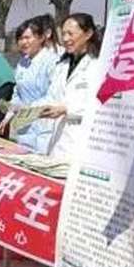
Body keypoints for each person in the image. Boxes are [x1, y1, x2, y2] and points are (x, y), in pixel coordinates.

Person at [39, 13, 101, 159]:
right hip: (58, 140)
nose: (66, 39)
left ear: (88, 34)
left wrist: (67, 109)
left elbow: (98, 105)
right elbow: (52, 96)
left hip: (81, 142)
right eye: (63, 34)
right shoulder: (62, 65)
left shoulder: (97, 65)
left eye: (70, 34)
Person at [0, 15, 60, 152]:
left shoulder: (52, 61)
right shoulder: (22, 63)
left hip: (45, 126)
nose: (23, 42)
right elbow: (18, 93)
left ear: (41, 38)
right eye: (20, 38)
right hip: (25, 126)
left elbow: (54, 95)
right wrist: (9, 115)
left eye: (27, 37)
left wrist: (29, 109)